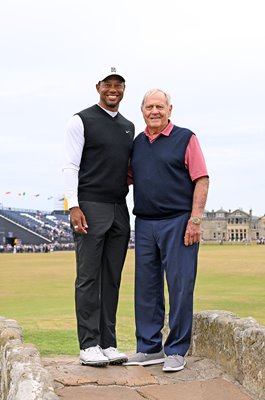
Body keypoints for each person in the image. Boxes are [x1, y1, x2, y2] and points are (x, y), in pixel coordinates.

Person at [124, 89, 209, 372]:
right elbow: (127, 178)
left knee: (180, 286)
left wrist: (195, 220)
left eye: (160, 106)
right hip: (145, 223)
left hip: (179, 221)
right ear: (142, 111)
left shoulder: (186, 138)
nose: (155, 111)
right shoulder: (137, 143)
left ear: (170, 109)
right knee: (146, 288)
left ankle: (176, 350)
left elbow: (202, 179)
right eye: (149, 107)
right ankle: (149, 348)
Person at [63, 67, 135, 367]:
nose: (113, 90)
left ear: (124, 89)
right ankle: (88, 344)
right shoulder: (81, 120)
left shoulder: (129, 126)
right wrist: (73, 206)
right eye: (108, 84)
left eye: (118, 85)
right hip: (89, 206)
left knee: (112, 279)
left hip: (120, 208)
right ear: (98, 87)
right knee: (89, 277)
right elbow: (70, 165)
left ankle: (108, 342)